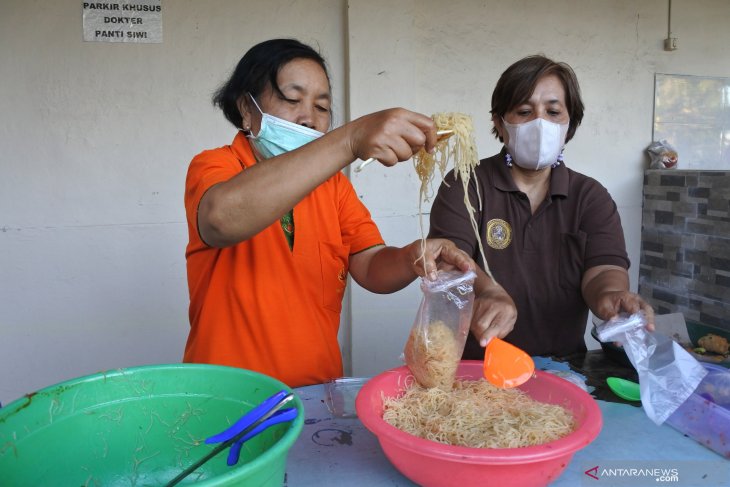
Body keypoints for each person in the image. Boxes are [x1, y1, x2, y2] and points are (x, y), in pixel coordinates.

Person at [183, 38, 503, 388]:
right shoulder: (216, 165)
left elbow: (370, 265)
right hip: (226, 395)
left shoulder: (332, 186)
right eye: (292, 99)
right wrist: (351, 140)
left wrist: (414, 255)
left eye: (322, 107)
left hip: (315, 393)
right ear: (247, 108)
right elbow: (220, 220)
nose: (308, 117)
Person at [428, 54, 655, 360]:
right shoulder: (466, 184)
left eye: (553, 111)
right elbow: (447, 261)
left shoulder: (589, 196)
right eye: (524, 111)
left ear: (569, 124)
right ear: (499, 121)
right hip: (475, 367)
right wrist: (487, 291)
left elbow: (603, 269)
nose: (540, 123)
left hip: (562, 367)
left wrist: (611, 297)